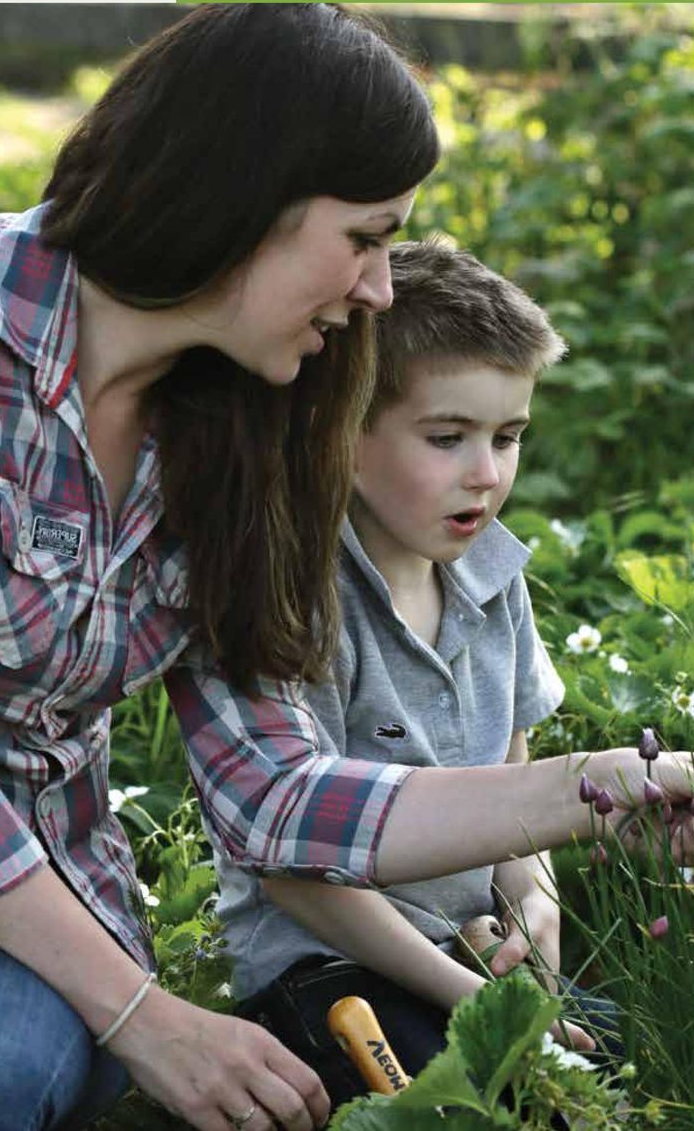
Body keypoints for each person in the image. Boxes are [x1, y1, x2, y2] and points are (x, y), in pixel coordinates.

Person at [0, 3, 440, 1131]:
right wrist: (146, 1016)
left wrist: (591, 792)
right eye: (366, 236)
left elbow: (269, 791)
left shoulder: (239, 430)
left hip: (7, 934)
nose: (380, 290)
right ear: (248, 194)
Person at [199, 241, 618, 1106]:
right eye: (448, 437)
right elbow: (293, 870)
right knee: (443, 1098)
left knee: (606, 1066)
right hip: (331, 970)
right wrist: (471, 998)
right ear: (344, 437)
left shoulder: (496, 580)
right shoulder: (302, 599)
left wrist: (535, 918)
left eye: (507, 438)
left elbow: (513, 796)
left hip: (469, 952)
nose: (487, 474)